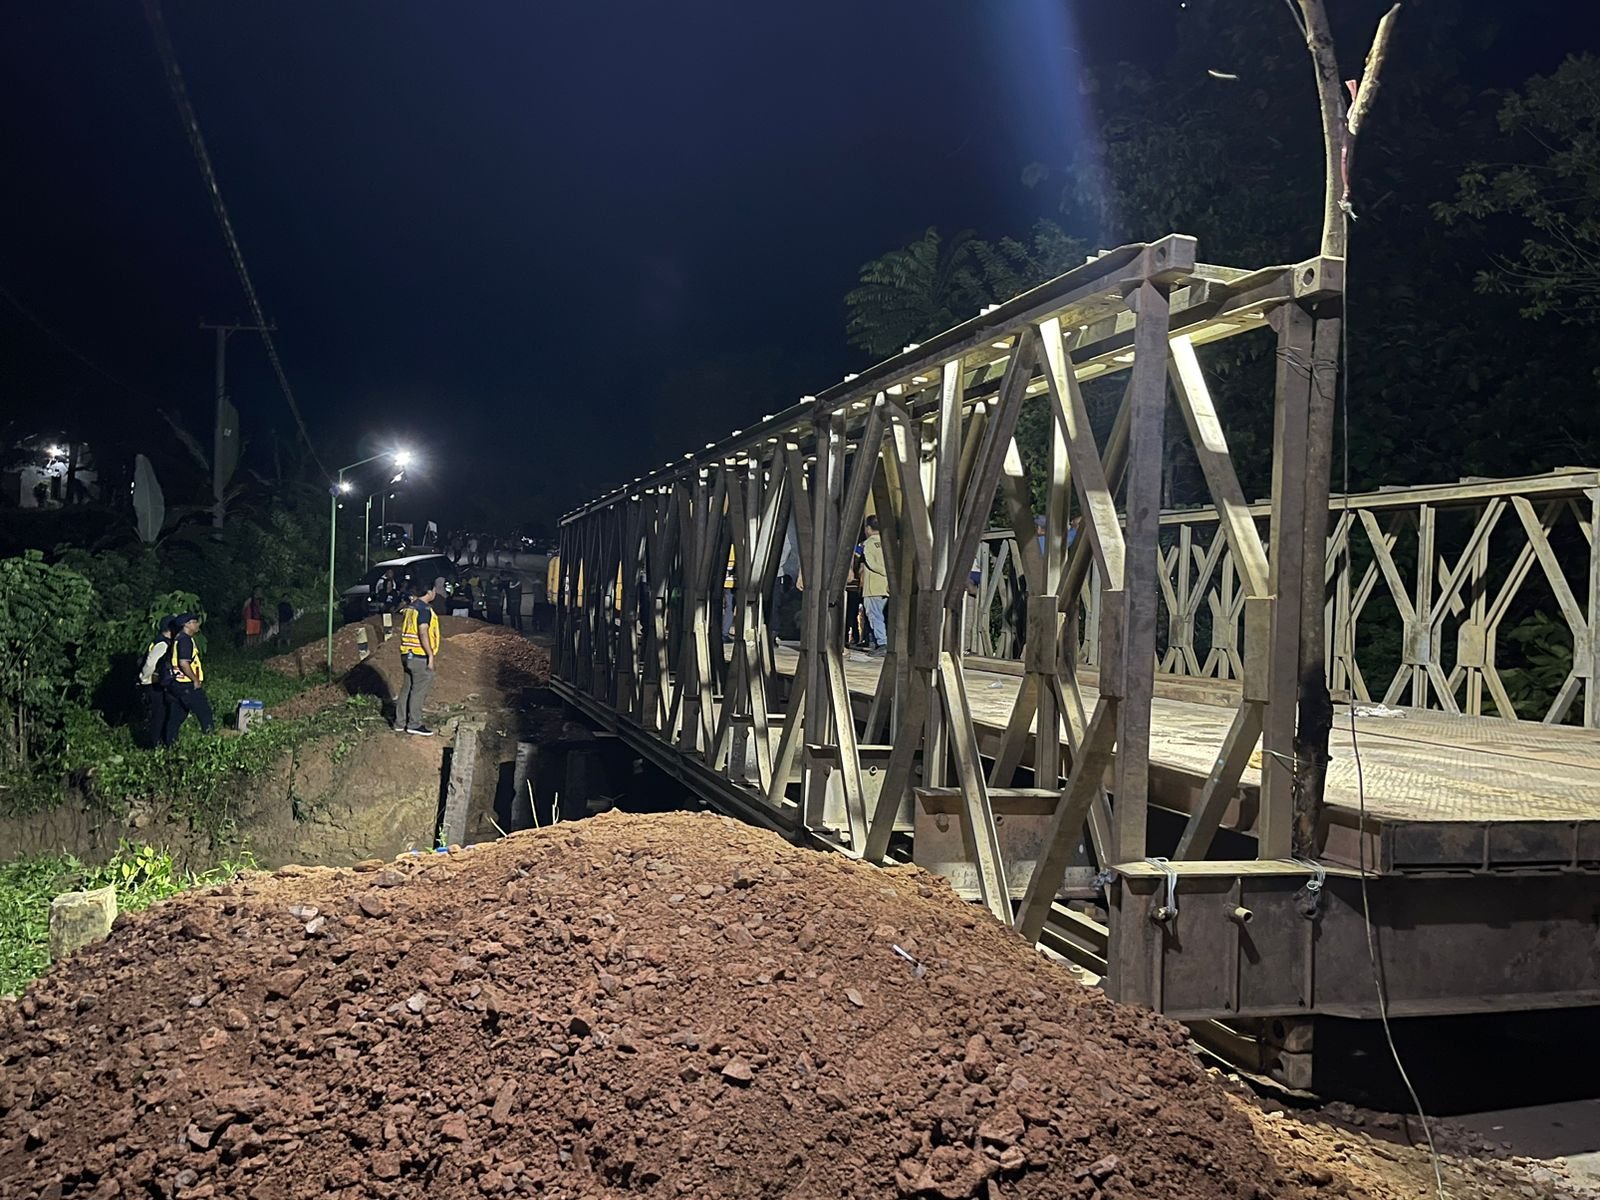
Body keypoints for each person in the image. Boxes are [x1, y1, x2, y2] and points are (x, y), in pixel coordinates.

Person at [397, 584, 440, 735]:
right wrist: (430, 655)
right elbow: (423, 632)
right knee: (418, 690)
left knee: (406, 688)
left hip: (406, 654)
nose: (435, 592)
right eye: (434, 589)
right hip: (418, 655)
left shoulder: (410, 608)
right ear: (429, 592)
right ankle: (414, 724)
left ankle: (399, 722)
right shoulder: (424, 609)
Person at [165, 614, 214, 742]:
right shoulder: (185, 640)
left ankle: (169, 744)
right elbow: (184, 663)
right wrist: (195, 679)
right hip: (186, 685)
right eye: (194, 622)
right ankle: (210, 743)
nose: (197, 624)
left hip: (177, 684)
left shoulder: (179, 639)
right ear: (186, 624)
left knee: (177, 716)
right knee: (205, 713)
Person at [137, 616, 177, 748]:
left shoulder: (163, 642)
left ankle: (161, 742)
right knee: (158, 716)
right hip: (154, 685)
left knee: (163, 714)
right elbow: (150, 663)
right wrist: (144, 679)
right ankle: (154, 744)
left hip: (157, 683)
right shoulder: (162, 644)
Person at [860, 514, 889, 656]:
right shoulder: (887, 543)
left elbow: (871, 563)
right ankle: (880, 641)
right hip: (886, 586)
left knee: (874, 615)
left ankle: (882, 642)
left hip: (873, 586)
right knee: (881, 615)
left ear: (868, 528)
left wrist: (883, 572)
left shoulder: (868, 544)